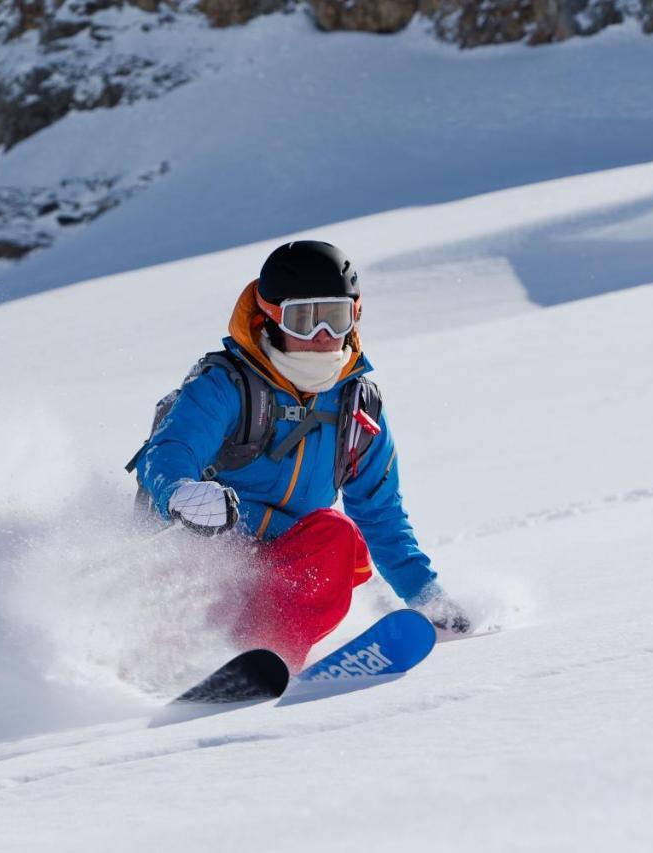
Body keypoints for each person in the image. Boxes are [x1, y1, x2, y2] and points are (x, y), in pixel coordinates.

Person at [129, 240, 469, 668]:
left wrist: (427, 597)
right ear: (271, 318)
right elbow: (169, 449)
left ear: (354, 317)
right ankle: (165, 663)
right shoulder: (227, 384)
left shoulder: (357, 407)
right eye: (304, 320)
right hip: (202, 560)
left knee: (340, 536)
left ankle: (268, 661)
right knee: (197, 564)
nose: (323, 336)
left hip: (284, 574)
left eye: (335, 318)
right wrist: (180, 492)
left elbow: (381, 515)